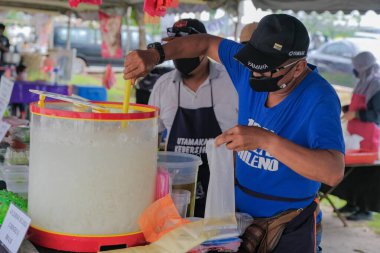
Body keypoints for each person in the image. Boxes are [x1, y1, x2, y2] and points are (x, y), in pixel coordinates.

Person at [124, 14, 345, 252]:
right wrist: (156, 54)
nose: (254, 76)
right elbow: (205, 42)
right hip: (239, 214)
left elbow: (332, 171)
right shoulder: (247, 69)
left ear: (298, 67)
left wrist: (265, 140)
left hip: (290, 222)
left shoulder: (319, 98)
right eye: (252, 66)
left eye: (265, 71)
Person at [148, 19, 238, 217]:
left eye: (184, 46)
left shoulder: (231, 83)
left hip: (222, 190)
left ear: (201, 47)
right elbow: (149, 139)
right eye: (174, 46)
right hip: (175, 192)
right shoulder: (163, 86)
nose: (179, 53)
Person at [337, 51, 380, 221]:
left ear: (363, 67)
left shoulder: (376, 84)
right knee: (351, 173)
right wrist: (348, 109)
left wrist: (356, 114)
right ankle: (351, 203)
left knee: (364, 176)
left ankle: (365, 210)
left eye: (356, 67)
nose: (354, 70)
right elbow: (360, 104)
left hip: (369, 137)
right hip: (356, 134)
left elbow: (376, 115)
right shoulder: (363, 82)